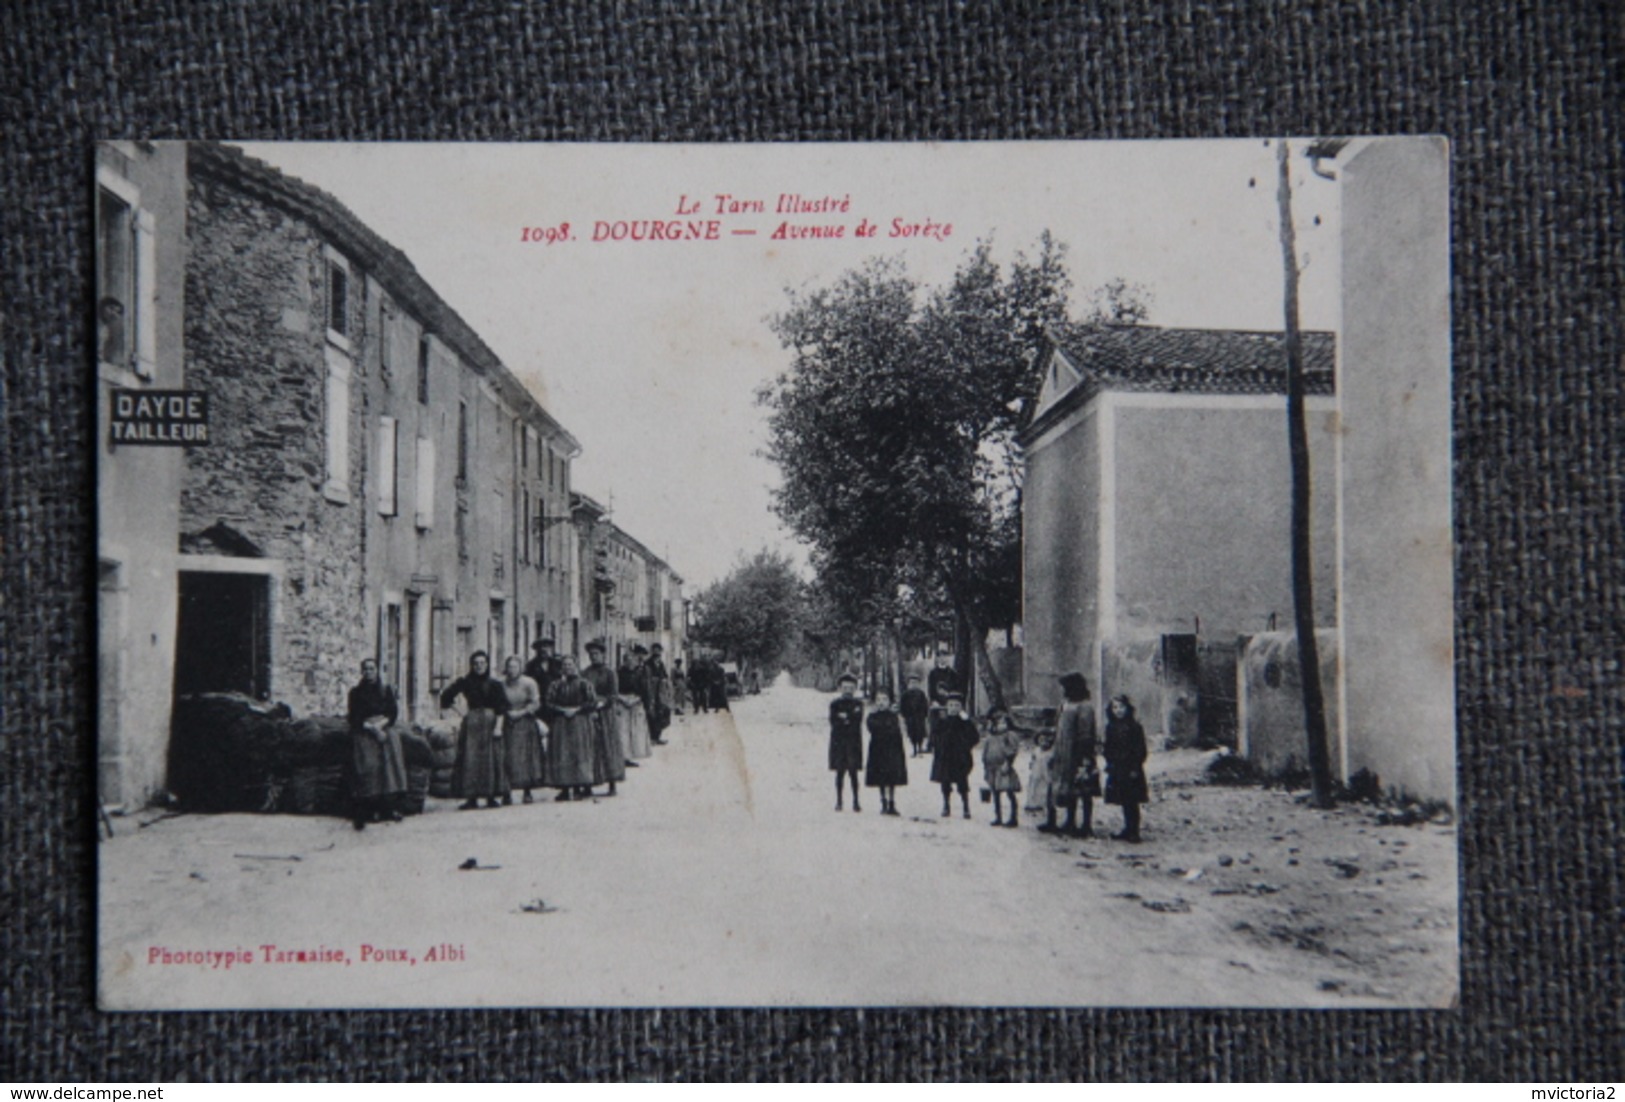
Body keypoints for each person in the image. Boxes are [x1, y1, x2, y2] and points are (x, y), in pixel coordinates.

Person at [439, 651, 511, 810]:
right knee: (470, 759)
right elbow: (446, 696)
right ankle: (471, 798)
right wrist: (461, 712)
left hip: (490, 722)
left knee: (490, 759)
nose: (479, 666)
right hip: (471, 723)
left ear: (487, 665)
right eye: (476, 663)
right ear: (472, 665)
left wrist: (498, 727)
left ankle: (491, 796)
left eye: (482, 663)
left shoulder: (495, 684)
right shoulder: (466, 682)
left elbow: (502, 708)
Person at [347, 658, 407, 830]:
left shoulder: (386, 690)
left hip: (384, 727)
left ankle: (390, 808)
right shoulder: (356, 693)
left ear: (377, 671)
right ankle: (372, 809)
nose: (369, 672)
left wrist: (381, 726)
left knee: (391, 761)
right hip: (365, 729)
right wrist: (372, 728)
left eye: (372, 669)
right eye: (365, 669)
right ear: (362, 672)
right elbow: (353, 717)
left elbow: (392, 712)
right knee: (369, 764)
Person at [1041, 672, 1099, 838]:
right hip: (1062, 753)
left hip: (1078, 752)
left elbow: (1086, 734)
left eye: (1064, 687)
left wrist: (1085, 758)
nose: (1061, 690)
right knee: (1067, 788)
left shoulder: (1085, 707)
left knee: (1084, 788)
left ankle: (1086, 825)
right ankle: (1069, 822)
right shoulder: (1064, 704)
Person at [544, 655, 600, 801]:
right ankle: (564, 787)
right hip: (561, 723)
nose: (568, 668)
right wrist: (562, 710)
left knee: (580, 753)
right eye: (565, 665)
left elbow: (593, 702)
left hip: (580, 722)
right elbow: (548, 703)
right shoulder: (556, 685)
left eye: (570, 665)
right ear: (561, 668)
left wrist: (577, 709)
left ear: (576, 666)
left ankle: (582, 786)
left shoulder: (584, 684)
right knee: (563, 754)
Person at [580, 640, 626, 796]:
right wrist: (588, 707)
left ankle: (612, 783)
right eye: (591, 654)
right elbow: (582, 693)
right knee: (590, 748)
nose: (594, 657)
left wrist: (601, 704)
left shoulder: (610, 672)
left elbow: (613, 695)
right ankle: (588, 784)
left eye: (596, 654)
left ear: (603, 654)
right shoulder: (585, 673)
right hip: (590, 714)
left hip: (606, 715)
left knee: (609, 747)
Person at [499, 655, 546, 805]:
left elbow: (536, 703)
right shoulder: (501, 684)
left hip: (525, 722)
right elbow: (497, 702)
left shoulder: (529, 683)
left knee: (526, 757)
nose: (512, 670)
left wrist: (522, 712)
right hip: (508, 722)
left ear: (520, 668)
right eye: (509, 667)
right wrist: (507, 713)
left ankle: (527, 791)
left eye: (515, 667)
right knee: (507, 757)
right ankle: (506, 791)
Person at [1103, 694, 1150, 842]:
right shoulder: (1110, 727)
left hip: (1131, 769)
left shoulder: (1135, 727)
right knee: (1123, 798)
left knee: (1132, 800)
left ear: (1128, 708)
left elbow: (1141, 749)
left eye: (1121, 707)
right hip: (1118, 768)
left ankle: (1134, 831)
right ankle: (1127, 828)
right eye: (1115, 707)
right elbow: (1108, 747)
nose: (1118, 711)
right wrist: (1109, 761)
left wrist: (1135, 767)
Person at [930, 691, 979, 819]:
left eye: (956, 706)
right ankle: (946, 805)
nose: (953, 708)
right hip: (945, 757)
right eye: (951, 705)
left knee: (962, 782)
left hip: (960, 758)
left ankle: (966, 807)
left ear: (961, 708)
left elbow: (974, 737)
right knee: (945, 782)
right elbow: (933, 736)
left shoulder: (965, 722)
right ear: (947, 707)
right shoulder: (942, 722)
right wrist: (938, 746)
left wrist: (965, 746)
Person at [863, 687, 907, 816]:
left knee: (892, 776)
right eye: (878, 700)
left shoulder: (895, 716)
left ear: (889, 702)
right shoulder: (872, 716)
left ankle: (892, 802)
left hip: (892, 749)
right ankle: (883, 802)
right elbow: (873, 728)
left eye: (884, 699)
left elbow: (897, 730)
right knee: (880, 777)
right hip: (878, 749)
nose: (881, 702)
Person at [828, 673, 865, 812]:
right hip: (838, 742)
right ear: (840, 688)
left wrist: (845, 717)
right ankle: (839, 801)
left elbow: (857, 720)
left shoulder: (858, 704)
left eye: (850, 688)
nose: (848, 690)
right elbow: (833, 721)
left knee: (853, 772)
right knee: (840, 772)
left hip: (853, 742)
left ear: (855, 688)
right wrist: (847, 718)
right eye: (845, 688)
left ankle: (856, 801)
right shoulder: (834, 704)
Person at [981, 709, 1022, 828]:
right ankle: (998, 816)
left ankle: (1013, 817)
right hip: (992, 768)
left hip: (1004, 767)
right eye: (998, 723)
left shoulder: (1009, 736)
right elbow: (985, 752)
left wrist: (1008, 763)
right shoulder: (990, 737)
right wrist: (985, 766)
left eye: (1004, 723)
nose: (1001, 726)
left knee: (1009, 792)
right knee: (995, 794)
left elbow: (1012, 751)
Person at [619, 647, 653, 761]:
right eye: (627, 660)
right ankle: (624, 755)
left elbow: (645, 689)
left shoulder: (639, 673)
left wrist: (643, 701)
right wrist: (622, 699)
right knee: (623, 730)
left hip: (636, 702)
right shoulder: (619, 673)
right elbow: (615, 689)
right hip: (622, 702)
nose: (630, 662)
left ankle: (634, 754)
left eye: (632, 660)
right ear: (623, 661)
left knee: (636, 730)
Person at [926, 651, 959, 752]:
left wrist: (951, 701)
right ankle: (933, 744)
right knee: (936, 723)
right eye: (941, 657)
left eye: (945, 657)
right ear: (937, 659)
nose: (943, 659)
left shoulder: (952, 673)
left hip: (950, 703)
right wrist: (934, 701)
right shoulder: (933, 673)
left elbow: (955, 688)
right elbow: (931, 689)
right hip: (937, 703)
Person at [646, 642, 673, 745]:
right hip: (652, 691)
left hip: (661, 692)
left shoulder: (661, 664)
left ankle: (657, 736)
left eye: (659, 650)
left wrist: (665, 681)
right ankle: (652, 737)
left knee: (662, 713)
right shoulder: (648, 663)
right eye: (655, 650)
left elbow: (665, 675)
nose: (657, 652)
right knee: (652, 714)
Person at [899, 672, 930, 757]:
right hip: (910, 717)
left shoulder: (921, 694)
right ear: (908, 684)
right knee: (912, 733)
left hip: (919, 718)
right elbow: (902, 706)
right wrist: (904, 715)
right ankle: (914, 748)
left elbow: (925, 704)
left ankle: (919, 747)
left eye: (915, 683)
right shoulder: (905, 695)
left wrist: (925, 714)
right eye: (911, 683)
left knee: (920, 733)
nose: (913, 684)